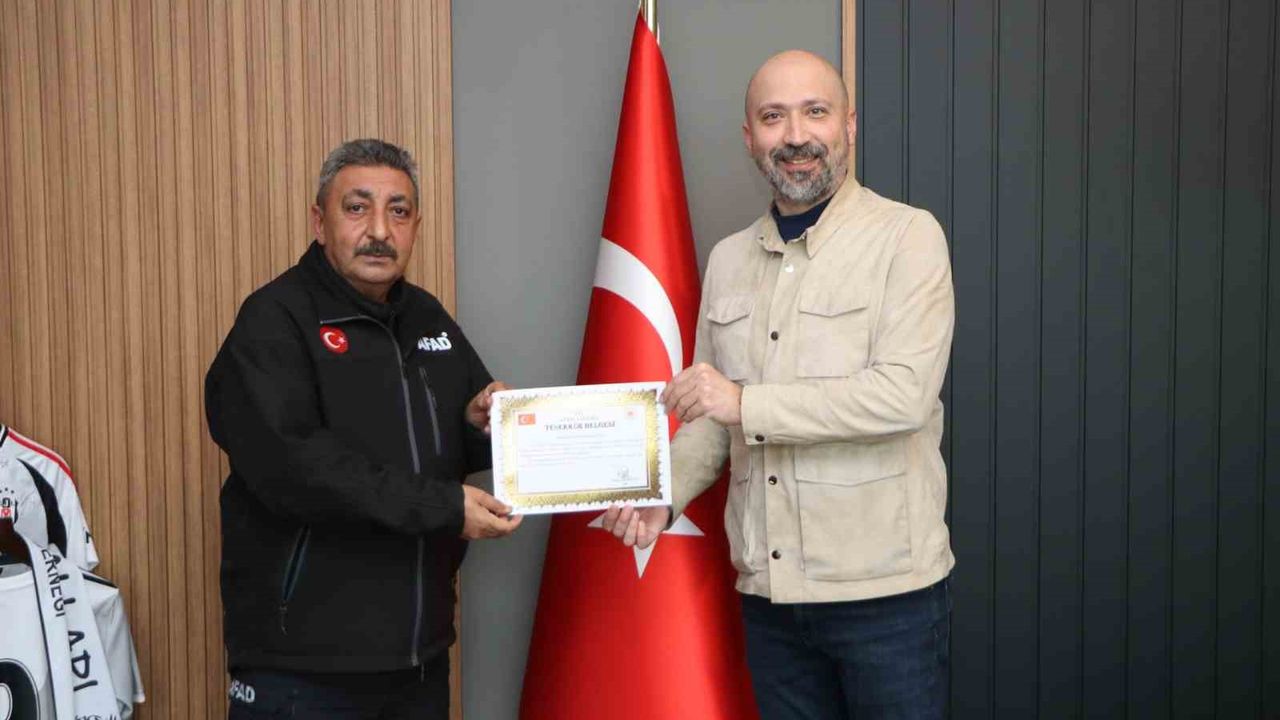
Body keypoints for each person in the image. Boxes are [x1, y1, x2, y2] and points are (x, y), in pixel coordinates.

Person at [603, 50, 955, 718]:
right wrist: (663, 496)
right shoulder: (729, 260)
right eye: (773, 118)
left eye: (814, 112)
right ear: (749, 137)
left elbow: (902, 395)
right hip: (770, 597)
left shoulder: (908, 238)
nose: (795, 135)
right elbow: (713, 418)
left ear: (849, 125)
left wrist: (745, 403)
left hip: (885, 600)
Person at [205, 138, 520, 720]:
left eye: (398, 211)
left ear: (416, 226)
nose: (379, 230)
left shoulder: (427, 318)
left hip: (418, 661)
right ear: (319, 222)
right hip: (302, 671)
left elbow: (450, 437)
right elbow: (298, 470)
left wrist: (479, 424)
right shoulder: (273, 321)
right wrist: (444, 506)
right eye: (357, 207)